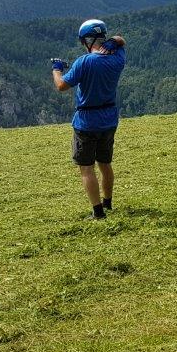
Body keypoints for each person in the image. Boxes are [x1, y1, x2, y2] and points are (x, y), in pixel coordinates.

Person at [51, 19, 126, 220]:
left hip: (86, 121)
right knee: (105, 163)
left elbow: (61, 86)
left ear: (87, 40)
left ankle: (98, 212)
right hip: (109, 119)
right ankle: (108, 203)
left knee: (86, 168)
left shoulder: (84, 62)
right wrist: (115, 40)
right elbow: (121, 41)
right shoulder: (118, 58)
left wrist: (57, 69)